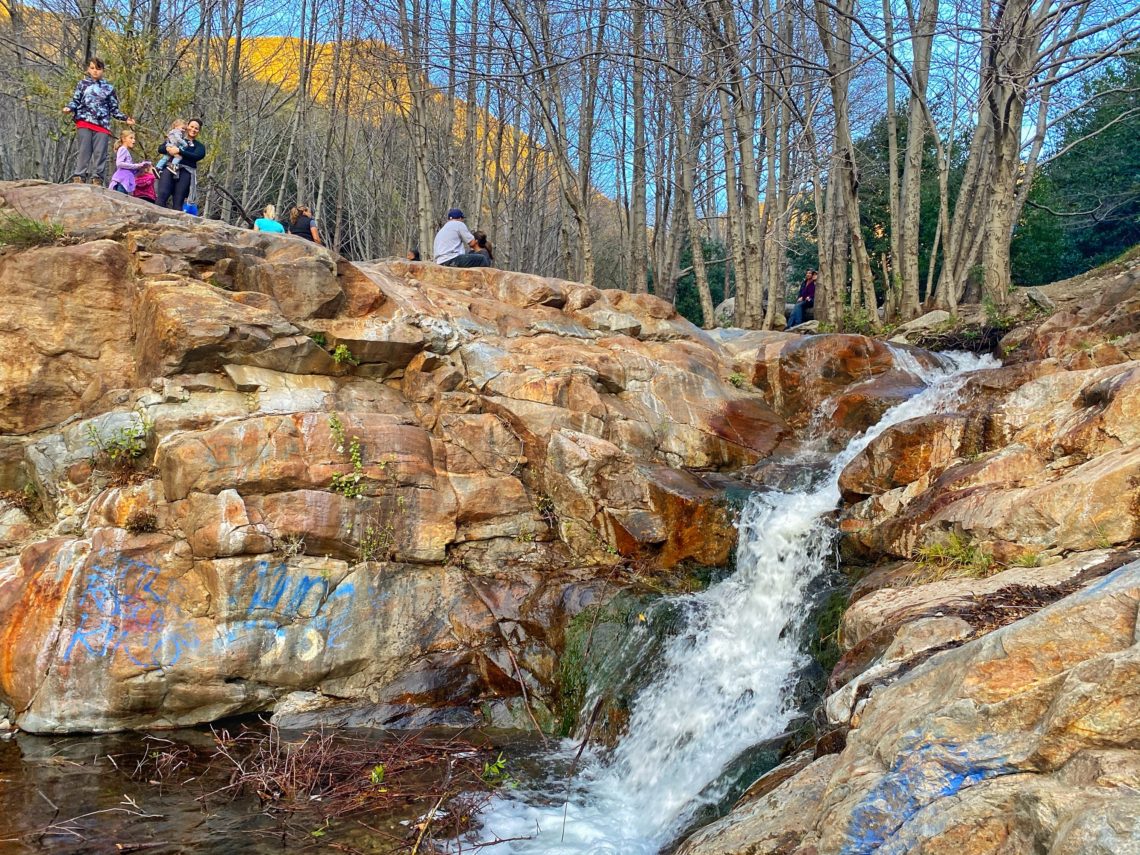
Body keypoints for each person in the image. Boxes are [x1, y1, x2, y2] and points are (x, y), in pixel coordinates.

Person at [62, 57, 134, 187]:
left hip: (102, 125)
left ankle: (97, 178)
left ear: (103, 70)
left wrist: (125, 118)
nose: (95, 71)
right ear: (88, 69)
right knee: (84, 150)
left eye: (98, 69)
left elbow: (114, 109)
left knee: (100, 153)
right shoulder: (82, 84)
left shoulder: (109, 88)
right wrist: (69, 108)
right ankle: (79, 176)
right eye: (92, 68)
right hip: (84, 121)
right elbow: (76, 100)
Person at [154, 118, 205, 212]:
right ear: (187, 127)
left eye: (196, 128)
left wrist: (179, 151)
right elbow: (160, 148)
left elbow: (197, 155)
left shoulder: (199, 146)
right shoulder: (176, 137)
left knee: (178, 200)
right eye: (191, 127)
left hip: (186, 172)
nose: (193, 130)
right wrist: (168, 149)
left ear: (199, 131)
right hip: (169, 167)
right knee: (162, 195)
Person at [108, 130, 150, 195]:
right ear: (124, 139)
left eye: (134, 138)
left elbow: (129, 169)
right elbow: (119, 163)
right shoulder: (123, 149)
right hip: (121, 180)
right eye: (131, 138)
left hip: (125, 181)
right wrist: (136, 166)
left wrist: (140, 167)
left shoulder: (126, 151)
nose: (134, 141)